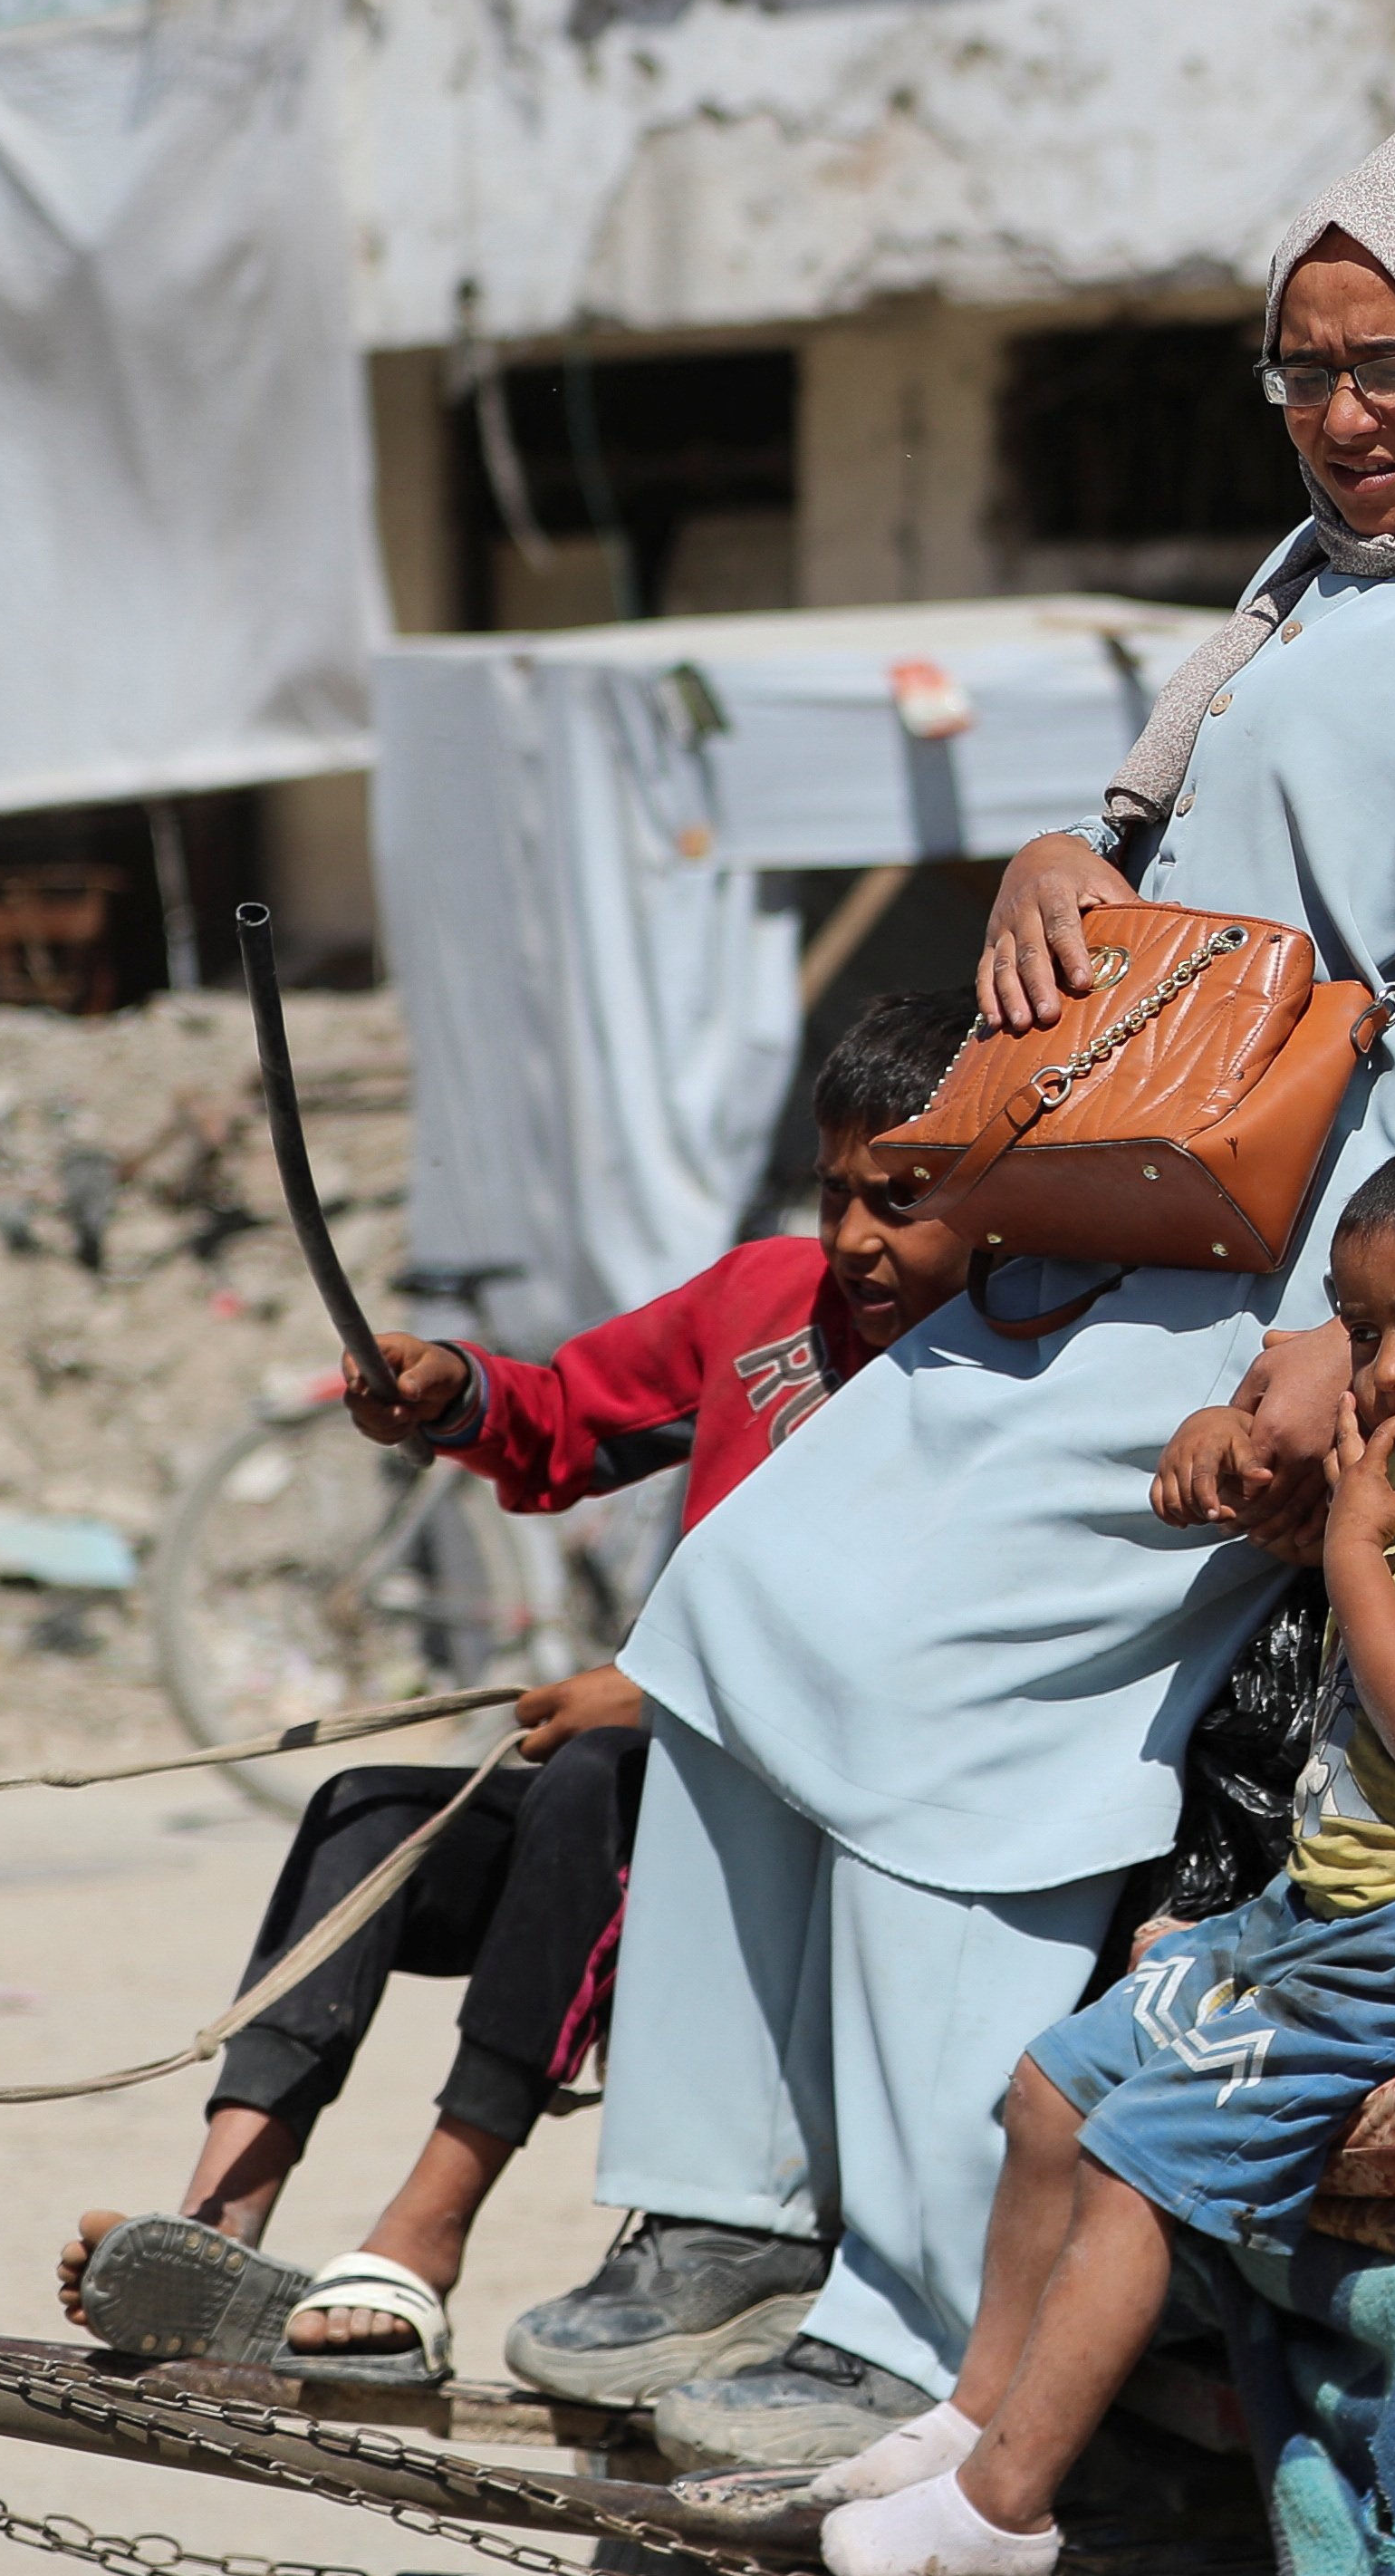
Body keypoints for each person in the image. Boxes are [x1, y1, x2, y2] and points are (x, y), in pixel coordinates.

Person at [509, 106, 1395, 2471]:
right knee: (747, 1587)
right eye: (1307, 369)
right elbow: (1175, 870)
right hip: (1114, 1255)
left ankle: (917, 2309)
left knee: (948, 1696)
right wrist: (1069, 845)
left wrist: (1343, 1354)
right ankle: (721, 2206)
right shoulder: (1312, 588)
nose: (1351, 415)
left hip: (1287, 1293)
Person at [60, 989, 985, 2386]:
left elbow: (922, 1645)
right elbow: (565, 1419)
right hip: (662, 1787)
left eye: (904, 1202)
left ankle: (426, 2232)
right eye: (836, 1193)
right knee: (369, 1813)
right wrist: (452, 1394)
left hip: (808, 1840)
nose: (856, 1237)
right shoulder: (759, 1304)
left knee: (602, 1784)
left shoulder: (1011, 1374)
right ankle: (219, 2222)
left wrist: (666, 1702)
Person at [810, 1131, 1395, 2576]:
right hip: (1334, 1913)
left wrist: (1351, 1557)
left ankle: (1004, 2510)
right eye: (1366, 1331)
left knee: (1141, 2163)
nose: (1385, 1375)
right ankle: (974, 2411)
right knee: (1054, 2087)